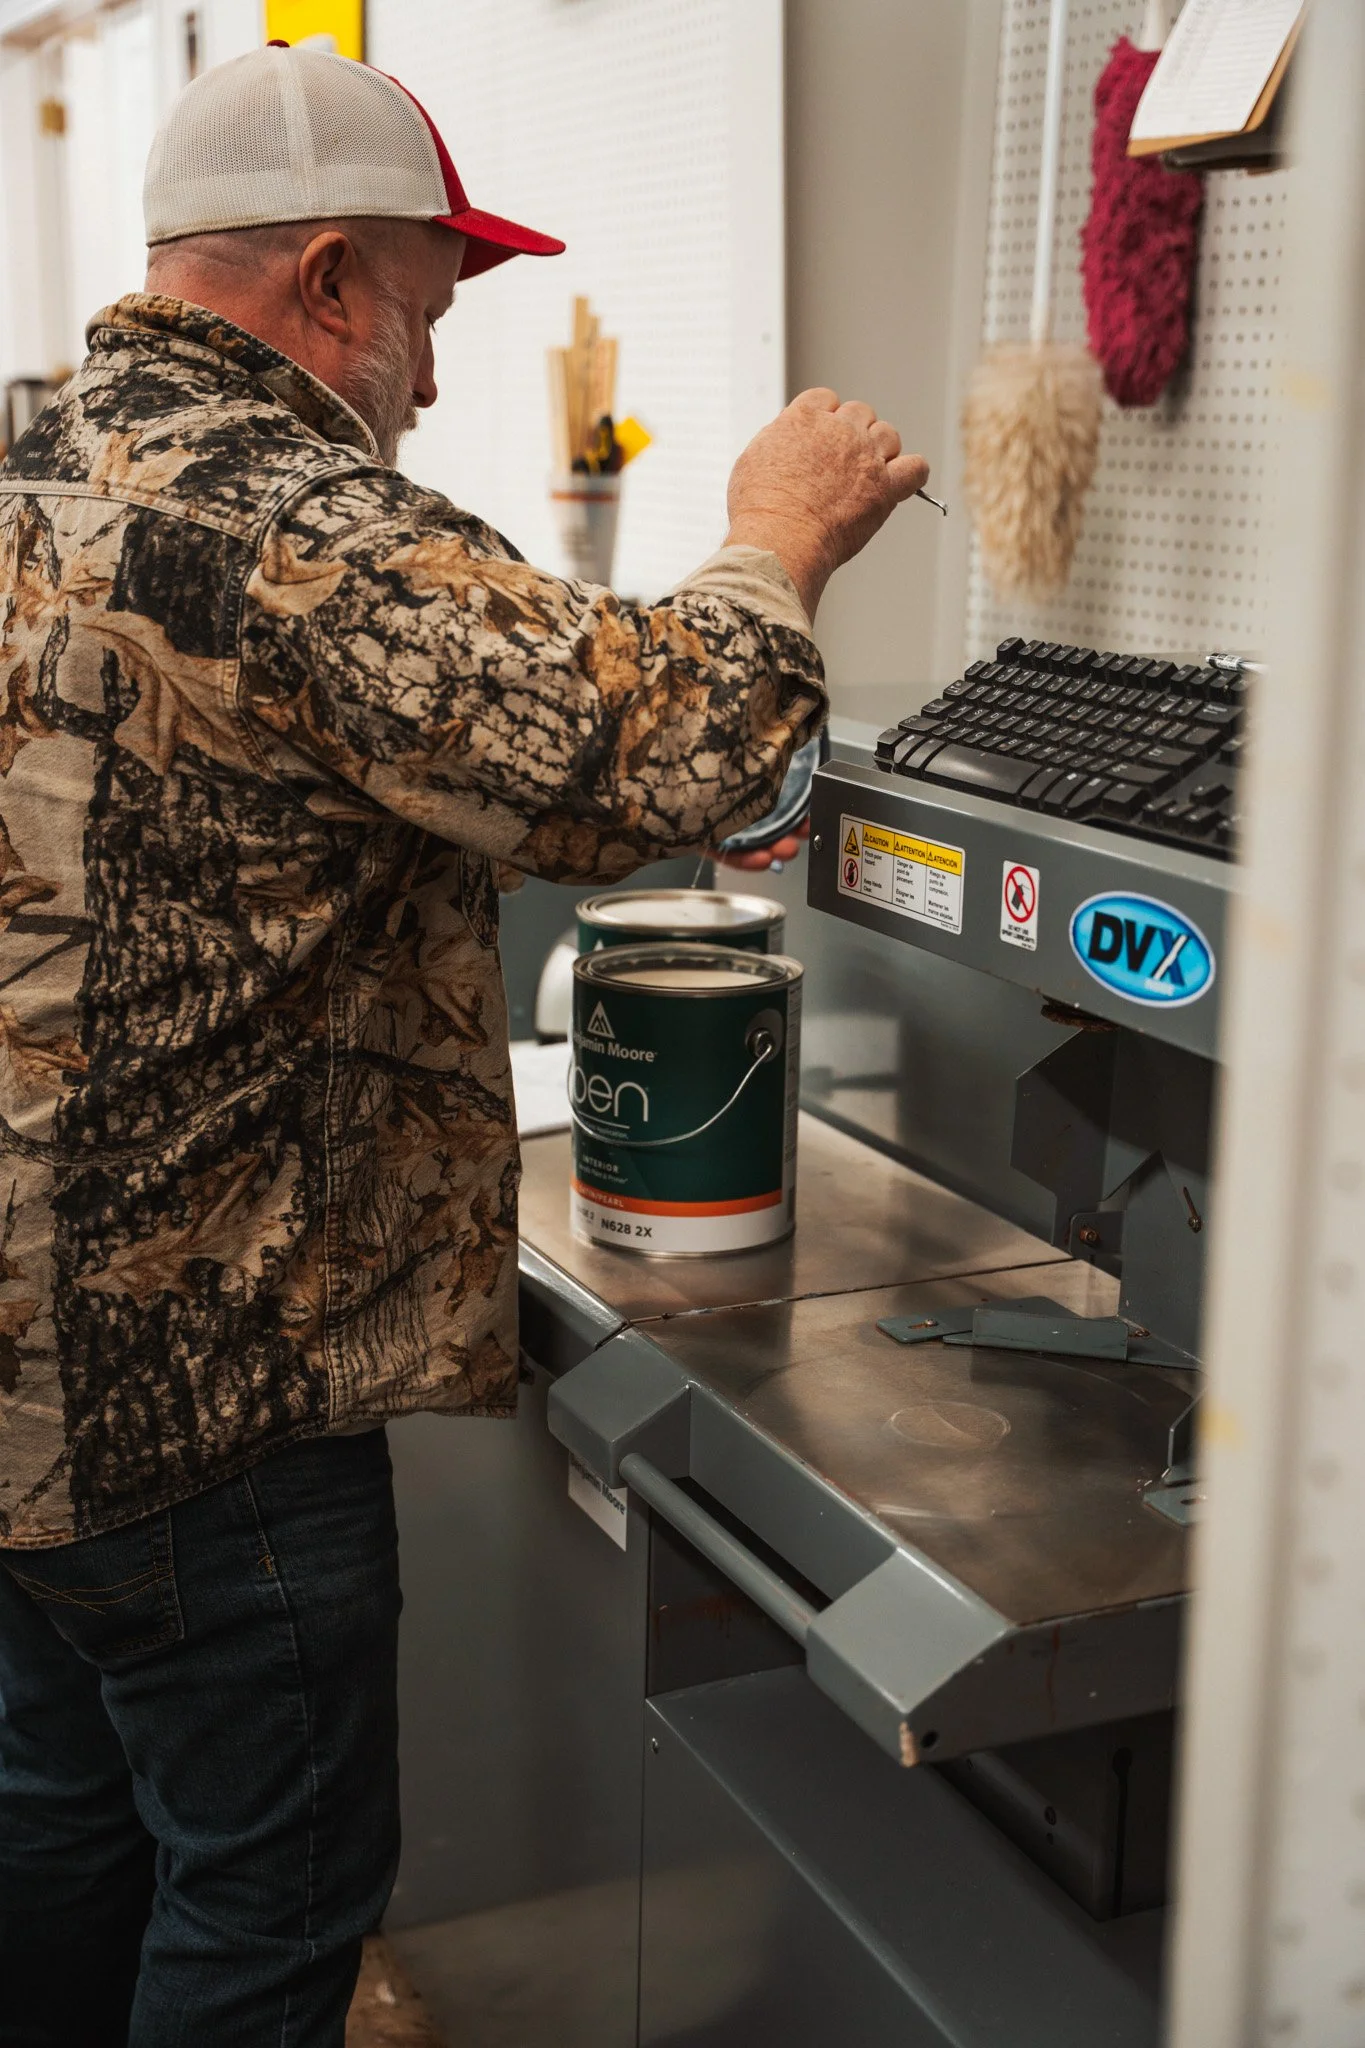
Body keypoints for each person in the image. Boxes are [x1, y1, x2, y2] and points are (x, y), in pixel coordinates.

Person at [0, 42, 928, 2045]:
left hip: (16, 1369)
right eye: (421, 314)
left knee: (65, 1828)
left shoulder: (30, 455)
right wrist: (776, 534)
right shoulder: (286, 519)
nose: (426, 374)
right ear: (329, 279)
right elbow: (655, 749)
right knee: (265, 1901)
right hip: (198, 1394)